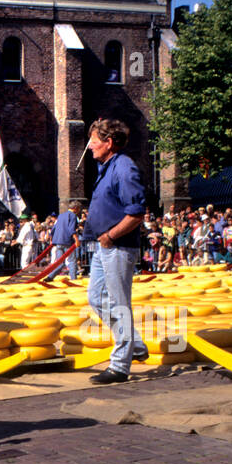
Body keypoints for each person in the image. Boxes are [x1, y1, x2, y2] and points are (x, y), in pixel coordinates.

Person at [81, 118, 148, 384]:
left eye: (94, 141)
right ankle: (137, 346)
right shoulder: (106, 167)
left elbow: (136, 213)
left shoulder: (123, 168)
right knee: (96, 297)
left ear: (109, 143)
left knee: (120, 304)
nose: (90, 146)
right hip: (103, 245)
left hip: (118, 246)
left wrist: (110, 235)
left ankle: (120, 366)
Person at [50, 201, 81, 278]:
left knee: (60, 262)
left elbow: (53, 228)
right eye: (79, 209)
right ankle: (73, 279)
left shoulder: (61, 216)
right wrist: (76, 240)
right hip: (67, 241)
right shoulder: (73, 216)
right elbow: (71, 229)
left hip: (58, 241)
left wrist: (53, 240)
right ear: (75, 208)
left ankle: (50, 276)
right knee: (72, 261)